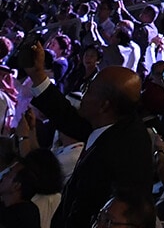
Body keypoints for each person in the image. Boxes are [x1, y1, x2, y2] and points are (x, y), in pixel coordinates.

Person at [23, 42, 155, 228]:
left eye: (89, 90)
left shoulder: (120, 153)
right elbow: (70, 119)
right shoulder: (119, 120)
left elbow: (94, 211)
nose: (83, 94)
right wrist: (38, 75)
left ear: (104, 105)